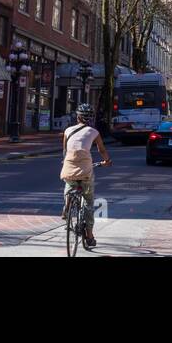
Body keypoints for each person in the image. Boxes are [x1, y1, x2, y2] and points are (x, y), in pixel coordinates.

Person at [60, 103, 111, 248]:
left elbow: (65, 151)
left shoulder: (68, 130)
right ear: (90, 118)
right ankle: (89, 236)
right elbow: (101, 150)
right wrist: (107, 161)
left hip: (69, 166)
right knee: (88, 202)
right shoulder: (94, 132)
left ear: (78, 117)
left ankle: (67, 204)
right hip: (85, 170)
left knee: (69, 183)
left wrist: (65, 161)